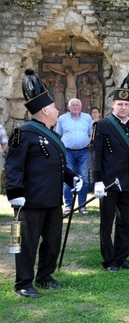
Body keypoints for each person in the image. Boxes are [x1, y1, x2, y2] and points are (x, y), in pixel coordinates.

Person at [5, 69, 82, 298]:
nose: (58, 111)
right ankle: (23, 283)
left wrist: (72, 177)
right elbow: (13, 166)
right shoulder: (23, 133)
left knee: (52, 241)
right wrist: (15, 194)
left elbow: (58, 166)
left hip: (51, 200)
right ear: (45, 110)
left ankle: (45, 276)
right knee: (26, 244)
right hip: (30, 200)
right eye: (56, 108)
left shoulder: (54, 135)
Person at [90, 67, 129, 272]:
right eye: (120, 104)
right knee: (107, 223)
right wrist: (97, 180)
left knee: (127, 221)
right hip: (109, 182)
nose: (123, 107)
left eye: (126, 104)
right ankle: (108, 260)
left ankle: (122, 257)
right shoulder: (103, 125)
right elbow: (97, 155)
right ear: (113, 105)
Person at [55, 98, 93, 215]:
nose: (75, 107)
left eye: (77, 105)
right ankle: (68, 206)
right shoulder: (62, 119)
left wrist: (88, 143)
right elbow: (58, 134)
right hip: (68, 152)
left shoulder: (88, 118)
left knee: (84, 178)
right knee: (67, 178)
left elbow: (91, 134)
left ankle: (82, 205)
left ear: (81, 107)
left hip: (84, 152)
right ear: (69, 107)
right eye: (73, 105)